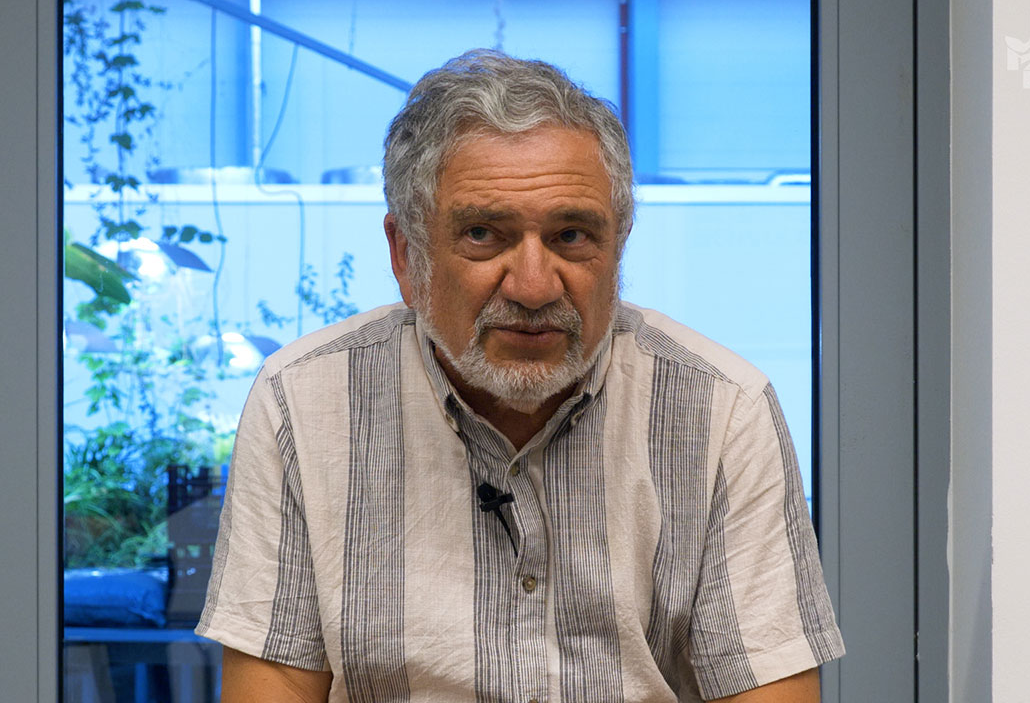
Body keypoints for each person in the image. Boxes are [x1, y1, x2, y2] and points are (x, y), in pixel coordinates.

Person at [196, 49, 844, 702]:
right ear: (407, 254)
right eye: (483, 234)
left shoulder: (722, 409)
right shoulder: (304, 405)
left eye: (570, 236)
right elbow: (272, 684)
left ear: (617, 248)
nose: (534, 287)